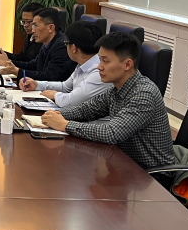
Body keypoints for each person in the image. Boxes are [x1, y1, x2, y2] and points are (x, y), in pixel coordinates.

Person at [40, 32, 175, 170]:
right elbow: (86, 110)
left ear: (127, 64)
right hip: (124, 165)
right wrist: (53, 114)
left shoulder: (144, 94)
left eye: (105, 61)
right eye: (99, 60)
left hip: (152, 175)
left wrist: (65, 125)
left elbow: (111, 133)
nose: (99, 67)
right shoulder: (116, 89)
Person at [20, 21, 109, 108]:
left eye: (66, 43)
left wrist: (55, 95)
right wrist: (36, 85)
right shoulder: (83, 64)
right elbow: (65, 87)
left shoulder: (99, 71)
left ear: (73, 48)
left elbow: (71, 101)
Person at [0, 7, 75, 81]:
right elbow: (32, 66)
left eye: (35, 25)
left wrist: (17, 71)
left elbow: (49, 77)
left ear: (51, 28)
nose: (33, 30)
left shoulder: (61, 46)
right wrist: (7, 62)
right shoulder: (47, 43)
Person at [0, 2, 43, 68]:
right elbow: (21, 57)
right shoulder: (30, 36)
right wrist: (0, 52)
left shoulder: (43, 42)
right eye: (23, 22)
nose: (25, 25)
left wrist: (6, 62)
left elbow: (32, 66)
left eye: (29, 22)